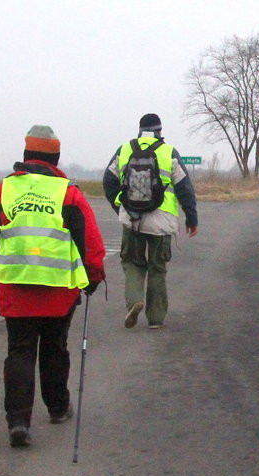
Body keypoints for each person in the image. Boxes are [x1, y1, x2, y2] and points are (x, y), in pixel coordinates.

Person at [0, 125, 105, 448]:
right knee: (54, 347)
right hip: (58, 291)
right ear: (55, 157)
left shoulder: (5, 190)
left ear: (26, 155)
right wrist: (93, 278)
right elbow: (90, 245)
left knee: (19, 351)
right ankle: (58, 407)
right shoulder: (68, 193)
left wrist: (1, 250)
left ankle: (18, 421)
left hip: (17, 288)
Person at [102, 113, 198, 330]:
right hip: (161, 220)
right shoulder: (168, 152)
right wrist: (191, 218)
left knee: (132, 262)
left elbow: (108, 181)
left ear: (140, 130)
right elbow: (185, 188)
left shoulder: (124, 149)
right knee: (157, 267)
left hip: (132, 218)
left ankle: (135, 300)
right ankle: (155, 319)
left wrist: (120, 206)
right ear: (160, 131)